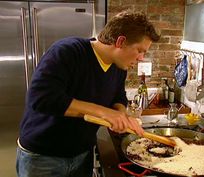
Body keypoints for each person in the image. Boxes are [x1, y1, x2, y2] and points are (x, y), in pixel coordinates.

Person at [16, 9, 160, 177]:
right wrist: (104, 112)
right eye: (140, 50)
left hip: (82, 155)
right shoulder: (68, 51)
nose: (141, 58)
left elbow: (118, 96)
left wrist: (121, 114)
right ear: (120, 41)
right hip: (43, 157)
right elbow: (41, 98)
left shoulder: (118, 66)